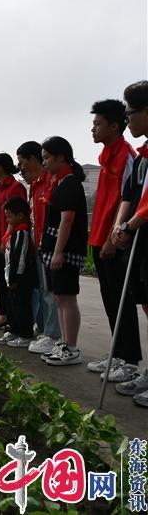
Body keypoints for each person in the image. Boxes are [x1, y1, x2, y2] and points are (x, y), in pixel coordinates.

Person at [85, 99, 142, 382]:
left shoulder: (127, 157)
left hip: (114, 240)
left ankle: (130, 360)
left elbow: (128, 199)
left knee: (122, 300)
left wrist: (113, 236)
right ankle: (118, 353)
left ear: (115, 126)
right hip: (98, 238)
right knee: (109, 298)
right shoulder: (107, 156)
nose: (92, 129)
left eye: (97, 124)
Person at [112, 80, 148, 406]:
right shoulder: (142, 158)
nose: (128, 120)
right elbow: (133, 196)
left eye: (131, 113)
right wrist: (123, 226)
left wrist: (129, 224)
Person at [39, 136, 87, 366]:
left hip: (65, 251)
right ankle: (64, 342)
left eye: (47, 158)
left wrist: (58, 252)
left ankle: (72, 347)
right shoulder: (58, 183)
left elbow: (66, 220)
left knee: (67, 298)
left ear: (61, 157)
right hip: (54, 248)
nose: (45, 162)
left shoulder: (70, 184)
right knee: (59, 297)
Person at [16, 141, 63, 354]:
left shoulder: (51, 182)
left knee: (51, 291)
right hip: (38, 245)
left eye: (22, 162)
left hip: (50, 244)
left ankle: (53, 335)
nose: (21, 168)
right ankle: (45, 330)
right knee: (43, 290)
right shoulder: (34, 185)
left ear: (35, 160)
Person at [0, 153, 27, 330]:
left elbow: (19, 216)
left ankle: (15, 319)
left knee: (13, 282)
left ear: (1, 167)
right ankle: (5, 315)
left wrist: (6, 238)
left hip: (9, 243)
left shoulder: (15, 187)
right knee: (2, 281)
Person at [0, 197, 37, 348]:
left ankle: (25, 334)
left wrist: (16, 278)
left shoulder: (22, 233)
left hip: (20, 278)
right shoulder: (15, 232)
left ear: (20, 216)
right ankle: (14, 330)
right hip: (12, 277)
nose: (7, 220)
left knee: (22, 306)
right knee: (12, 305)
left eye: (9, 216)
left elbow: (20, 258)